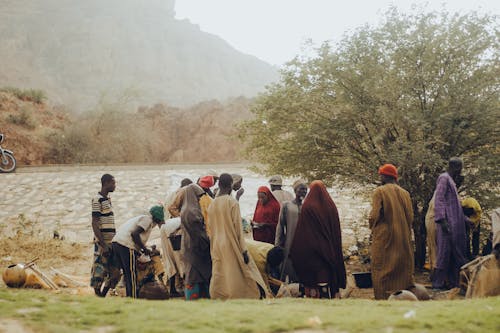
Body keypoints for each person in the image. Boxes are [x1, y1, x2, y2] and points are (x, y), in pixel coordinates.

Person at [208, 174, 269, 299]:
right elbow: (238, 229)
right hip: (231, 243)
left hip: (216, 244)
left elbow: (210, 228)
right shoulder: (232, 202)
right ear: (231, 185)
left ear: (219, 185)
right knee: (235, 274)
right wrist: (244, 251)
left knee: (221, 273)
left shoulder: (212, 204)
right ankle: (242, 296)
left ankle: (219, 296)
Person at [290, 180, 346, 299]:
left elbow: (303, 231)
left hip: (313, 251)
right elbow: (335, 230)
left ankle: (316, 298)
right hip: (330, 250)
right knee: (326, 275)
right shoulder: (331, 206)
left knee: (314, 279)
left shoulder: (308, 206)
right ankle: (329, 296)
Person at [368, 164, 415, 300]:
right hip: (403, 239)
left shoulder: (380, 191)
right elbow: (410, 217)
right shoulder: (405, 193)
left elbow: (374, 215)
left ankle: (382, 299)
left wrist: (373, 228)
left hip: (385, 239)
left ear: (384, 176)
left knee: (381, 269)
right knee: (401, 270)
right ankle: (403, 298)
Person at [112, 206, 165, 298]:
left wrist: (142, 249)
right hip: (126, 245)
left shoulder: (141, 218)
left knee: (127, 273)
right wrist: (144, 249)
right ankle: (133, 298)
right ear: (157, 219)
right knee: (131, 274)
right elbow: (134, 234)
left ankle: (129, 296)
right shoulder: (147, 219)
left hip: (117, 243)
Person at [432, 158, 468, 290]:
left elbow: (454, 206)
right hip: (447, 224)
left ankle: (454, 282)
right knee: (444, 253)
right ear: (455, 167)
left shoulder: (452, 181)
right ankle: (437, 284)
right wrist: (441, 220)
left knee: (455, 254)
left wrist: (465, 220)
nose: (461, 170)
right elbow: (439, 199)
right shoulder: (444, 178)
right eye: (460, 167)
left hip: (456, 224)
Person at [90, 174, 121, 297]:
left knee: (115, 271)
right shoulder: (97, 199)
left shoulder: (107, 200)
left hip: (111, 241)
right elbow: (94, 223)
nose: (114, 185)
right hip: (103, 242)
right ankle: (98, 295)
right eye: (113, 183)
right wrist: (102, 244)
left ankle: (102, 295)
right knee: (99, 270)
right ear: (106, 183)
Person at [180, 184, 212, 300]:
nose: (199, 199)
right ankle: (194, 300)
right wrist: (208, 242)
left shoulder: (185, 209)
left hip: (189, 247)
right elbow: (198, 233)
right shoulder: (192, 212)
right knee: (194, 277)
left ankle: (197, 299)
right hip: (196, 248)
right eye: (198, 197)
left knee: (194, 275)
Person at [275, 179, 308, 282]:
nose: (303, 191)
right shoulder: (286, 205)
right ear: (295, 190)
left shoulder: (307, 207)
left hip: (304, 243)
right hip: (289, 242)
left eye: (305, 190)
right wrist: (278, 245)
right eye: (301, 189)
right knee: (288, 268)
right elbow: (280, 226)